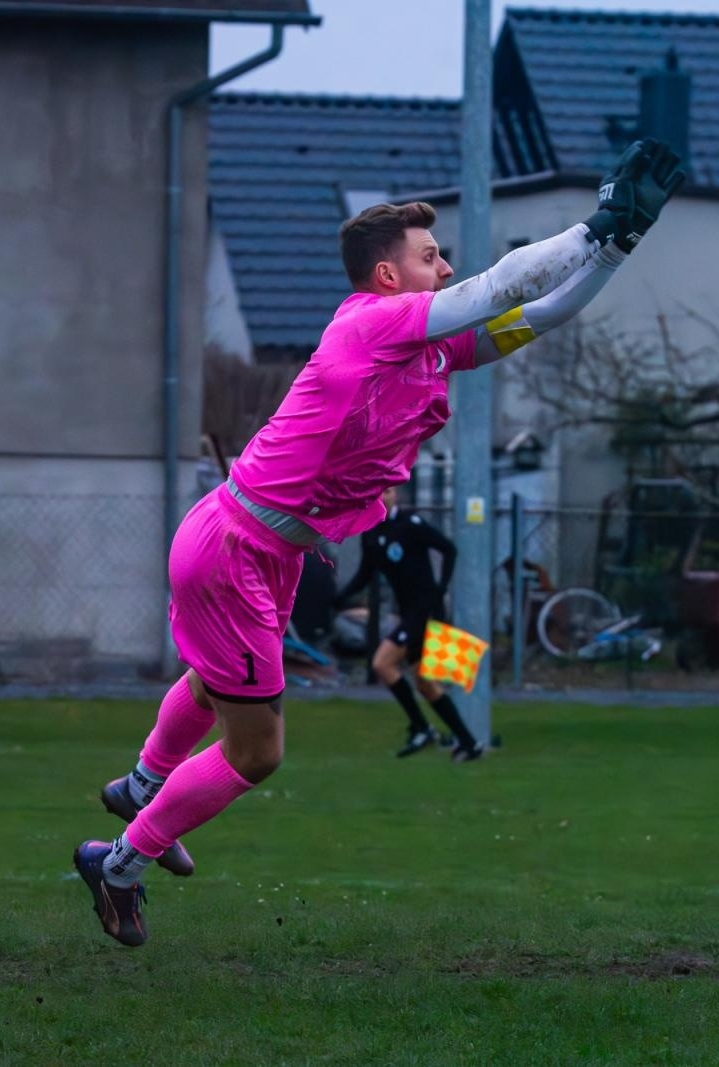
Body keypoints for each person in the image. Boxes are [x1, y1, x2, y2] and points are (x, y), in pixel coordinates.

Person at [74, 139, 686, 947]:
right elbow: (498, 285)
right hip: (236, 544)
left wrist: (613, 249)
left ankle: (145, 784)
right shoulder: (370, 323)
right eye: (431, 256)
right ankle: (119, 863)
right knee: (257, 752)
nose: (445, 266)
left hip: (261, 544)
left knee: (220, 680)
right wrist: (593, 223)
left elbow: (533, 314)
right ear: (389, 276)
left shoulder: (424, 347)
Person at [332, 485, 479, 760]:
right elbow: (366, 573)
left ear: (395, 494)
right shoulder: (372, 532)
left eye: (387, 492)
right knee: (424, 683)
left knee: (382, 663)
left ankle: (422, 728)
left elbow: (449, 549)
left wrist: (440, 589)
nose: (383, 498)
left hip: (423, 611)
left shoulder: (410, 523)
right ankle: (468, 743)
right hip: (408, 612)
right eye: (376, 494)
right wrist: (340, 597)